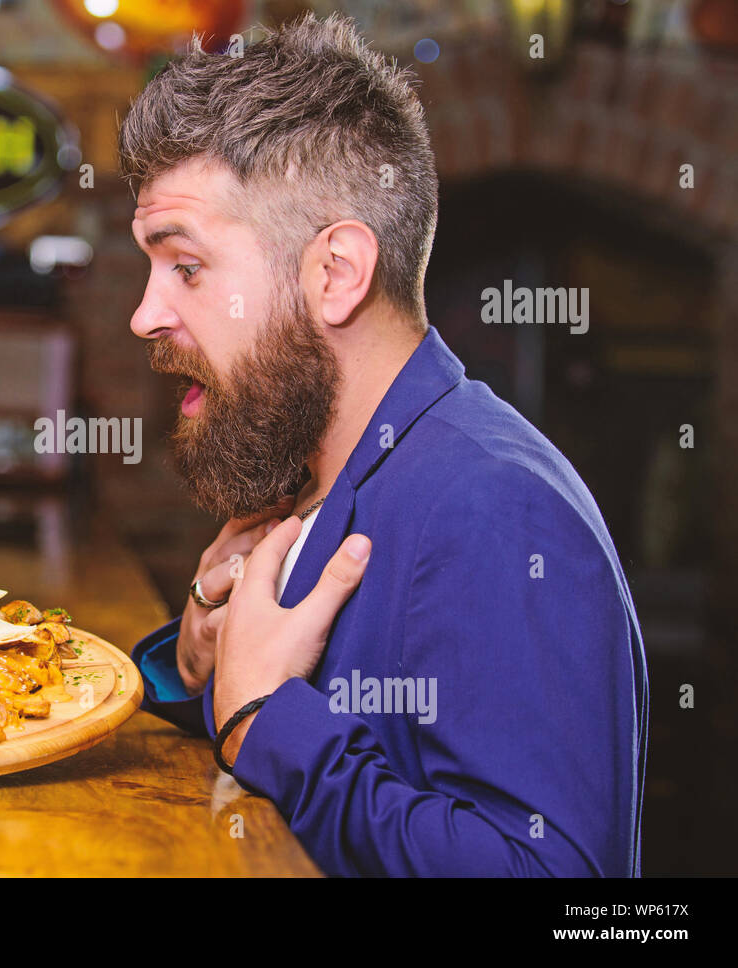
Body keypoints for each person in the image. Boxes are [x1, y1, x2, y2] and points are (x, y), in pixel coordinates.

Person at [119, 13, 647, 876]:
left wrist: (264, 718)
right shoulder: (331, 471)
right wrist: (198, 664)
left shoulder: (496, 508)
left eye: (186, 266)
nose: (145, 315)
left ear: (335, 274)